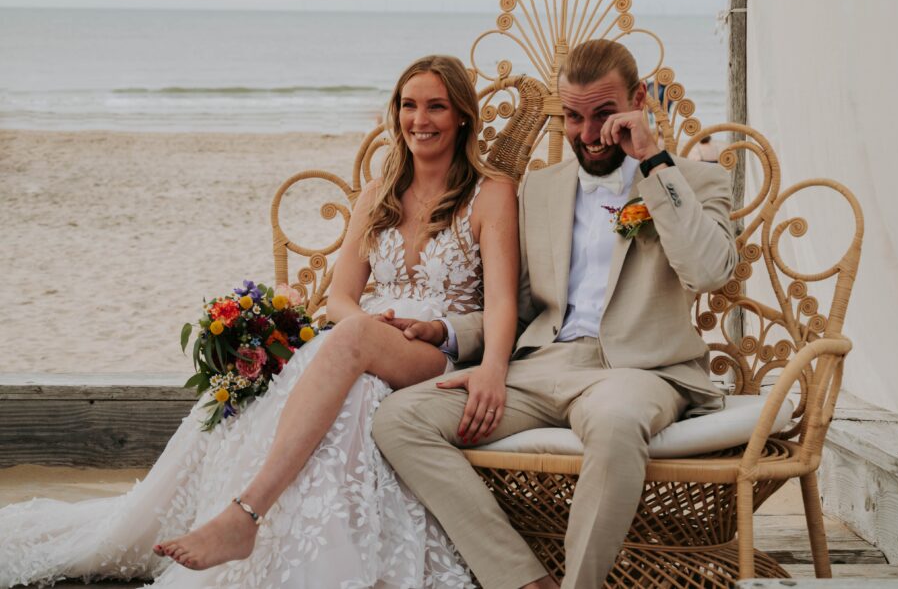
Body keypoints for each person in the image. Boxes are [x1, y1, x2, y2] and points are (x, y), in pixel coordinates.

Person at [0, 55, 517, 589]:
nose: (420, 119)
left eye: (436, 106)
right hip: (367, 336)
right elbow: (340, 298)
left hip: (436, 350)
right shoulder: (379, 191)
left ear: (462, 116)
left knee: (349, 343)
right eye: (409, 105)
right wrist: (368, 320)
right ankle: (275, 537)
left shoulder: (490, 192)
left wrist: (493, 370)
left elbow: (503, 303)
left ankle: (245, 514)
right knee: (325, 387)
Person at [372, 39, 738, 589]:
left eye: (604, 115)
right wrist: (447, 331)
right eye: (573, 117)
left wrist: (654, 162)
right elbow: (520, 307)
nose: (588, 136)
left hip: (638, 373)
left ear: (638, 100)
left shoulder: (694, 181)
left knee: (615, 426)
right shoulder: (540, 189)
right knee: (400, 420)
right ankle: (522, 581)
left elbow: (709, 272)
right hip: (540, 367)